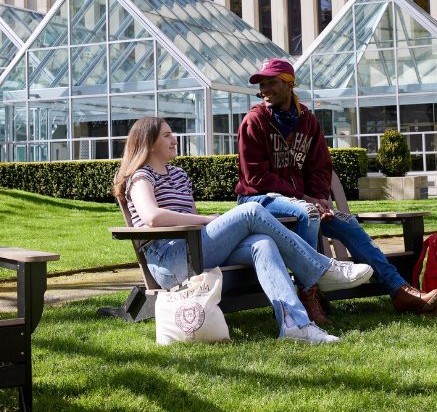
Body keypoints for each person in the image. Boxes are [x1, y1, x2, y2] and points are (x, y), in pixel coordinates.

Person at [113, 117, 374, 345]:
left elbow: (190, 219)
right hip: (170, 261)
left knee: (262, 244)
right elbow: (152, 217)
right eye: (167, 135)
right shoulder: (140, 177)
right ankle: (319, 268)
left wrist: (204, 223)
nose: (175, 139)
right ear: (148, 143)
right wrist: (207, 219)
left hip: (196, 249)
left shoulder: (180, 176)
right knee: (251, 211)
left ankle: (295, 325)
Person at [235, 58, 437, 315]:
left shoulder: (308, 122)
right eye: (261, 84)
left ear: (289, 84)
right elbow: (256, 178)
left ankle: (399, 290)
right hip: (259, 201)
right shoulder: (254, 122)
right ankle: (308, 293)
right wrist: (305, 199)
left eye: (271, 83)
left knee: (347, 222)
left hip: (303, 202)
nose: (264, 89)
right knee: (306, 213)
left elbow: (320, 167)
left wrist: (320, 198)